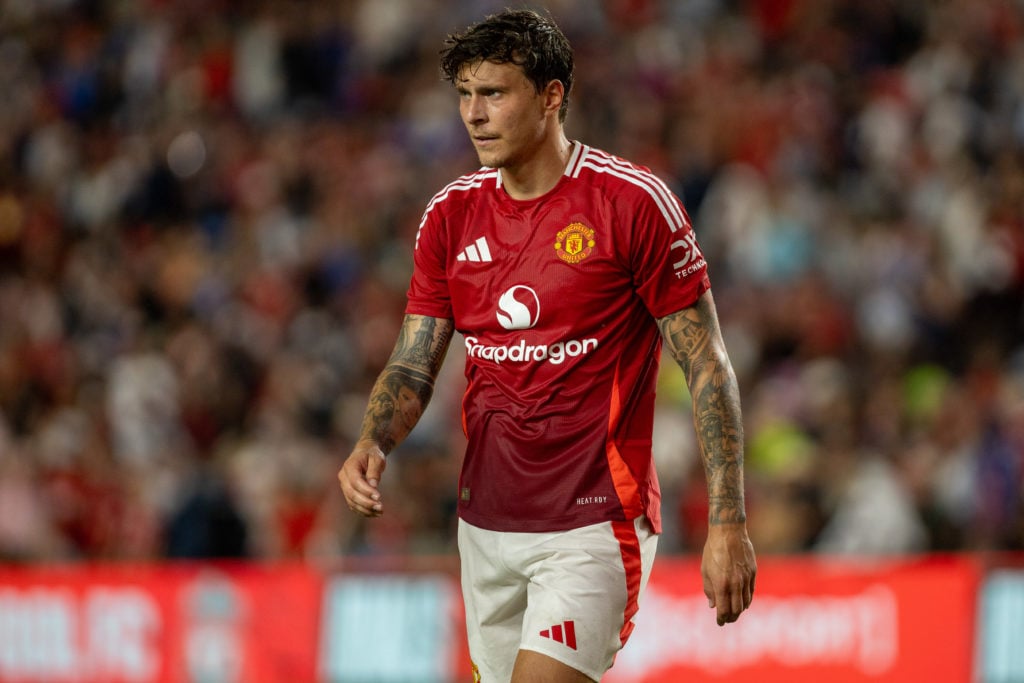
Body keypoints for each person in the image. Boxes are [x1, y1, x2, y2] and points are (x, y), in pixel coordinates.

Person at [338, 8, 756, 682]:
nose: (474, 114)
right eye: (465, 96)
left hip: (593, 524)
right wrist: (373, 441)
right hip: (485, 525)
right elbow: (415, 359)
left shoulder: (631, 205)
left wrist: (728, 521)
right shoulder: (450, 215)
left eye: (494, 93)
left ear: (552, 95)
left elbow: (707, 362)